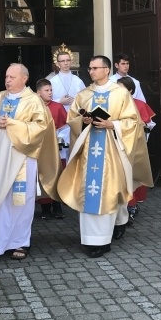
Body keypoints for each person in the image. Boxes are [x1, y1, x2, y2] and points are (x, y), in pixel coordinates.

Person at [55, 56, 152, 258]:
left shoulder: (120, 93)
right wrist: (83, 121)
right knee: (89, 192)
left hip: (111, 150)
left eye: (95, 68)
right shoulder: (84, 94)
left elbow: (133, 122)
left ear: (106, 70)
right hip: (88, 151)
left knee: (109, 191)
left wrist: (112, 124)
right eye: (90, 68)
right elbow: (72, 119)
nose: (91, 71)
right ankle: (91, 239)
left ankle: (110, 231)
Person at [0, 64, 60, 260]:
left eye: (12, 77)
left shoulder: (34, 101)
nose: (7, 81)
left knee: (20, 200)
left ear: (24, 79)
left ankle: (20, 242)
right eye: (6, 77)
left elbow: (41, 127)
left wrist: (11, 124)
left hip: (21, 158)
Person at [116, 76, 155, 218]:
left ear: (130, 90)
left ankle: (131, 205)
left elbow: (149, 124)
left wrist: (144, 126)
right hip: (117, 144)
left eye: (121, 88)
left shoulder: (139, 104)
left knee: (132, 175)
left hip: (134, 146)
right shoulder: (114, 105)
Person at [35, 78, 68, 220]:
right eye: (46, 90)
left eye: (51, 90)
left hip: (56, 148)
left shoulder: (58, 107)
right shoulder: (33, 107)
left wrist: (60, 139)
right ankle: (45, 208)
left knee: (57, 175)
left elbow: (65, 126)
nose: (50, 92)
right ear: (38, 92)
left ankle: (57, 206)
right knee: (42, 176)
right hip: (40, 148)